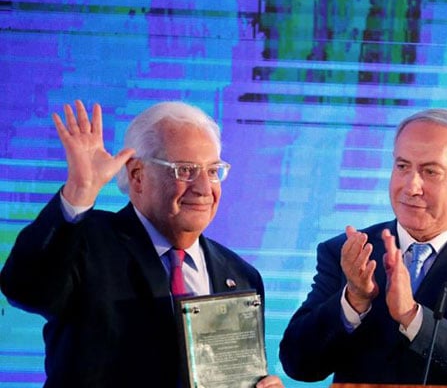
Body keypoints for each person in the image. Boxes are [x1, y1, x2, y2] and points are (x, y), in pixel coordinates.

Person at [0, 100, 283, 388]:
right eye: (185, 170)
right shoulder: (86, 240)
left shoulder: (241, 276)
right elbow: (26, 289)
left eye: (212, 171)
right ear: (137, 175)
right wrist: (78, 192)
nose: (203, 188)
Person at [279, 109, 447, 386]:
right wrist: (353, 301)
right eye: (402, 167)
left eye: (430, 172)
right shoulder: (349, 253)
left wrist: (413, 317)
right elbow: (298, 364)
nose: (411, 187)